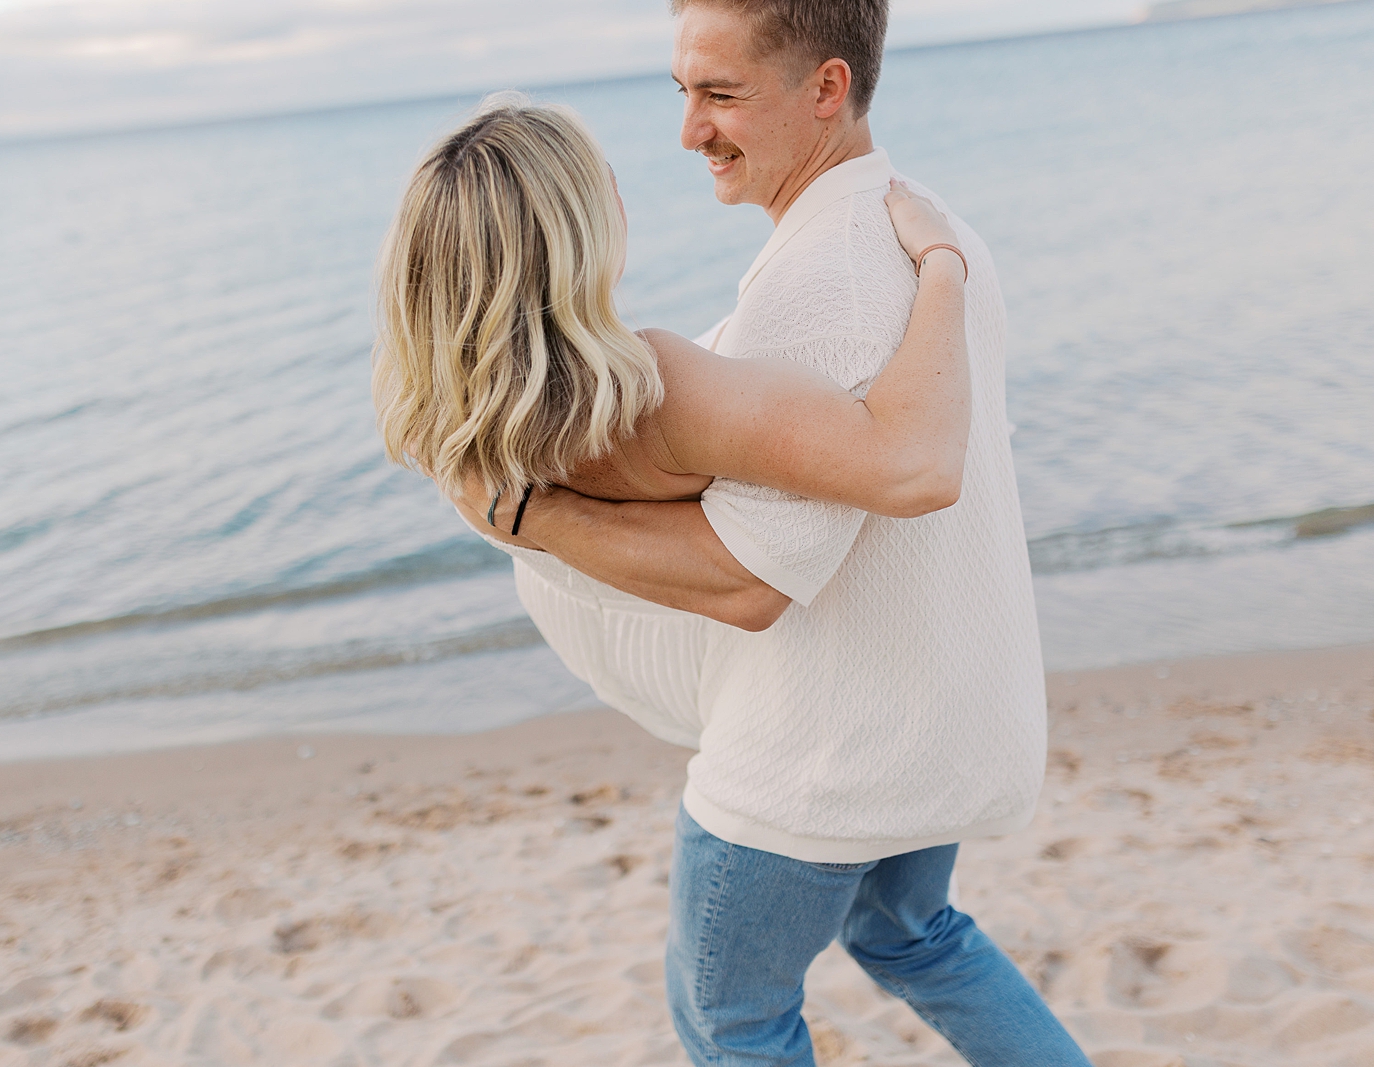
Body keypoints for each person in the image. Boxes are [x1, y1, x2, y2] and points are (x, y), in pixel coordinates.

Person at [373, 3, 1092, 1063]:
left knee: (732, 1018)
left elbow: (764, 571)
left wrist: (532, 516)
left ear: (826, 89)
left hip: (813, 758)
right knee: (909, 932)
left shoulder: (793, 297)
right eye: (682, 93)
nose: (687, 132)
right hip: (928, 707)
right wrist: (944, 265)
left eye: (720, 95)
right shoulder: (919, 224)